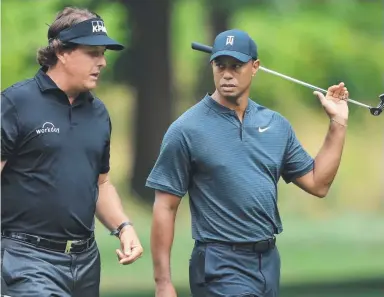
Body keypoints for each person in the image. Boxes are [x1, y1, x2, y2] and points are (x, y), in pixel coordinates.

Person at [146, 29, 349, 297]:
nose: (227, 74)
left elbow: (317, 183)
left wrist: (338, 123)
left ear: (255, 67)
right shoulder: (186, 129)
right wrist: (163, 284)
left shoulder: (275, 125)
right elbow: (165, 206)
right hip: (219, 262)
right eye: (220, 65)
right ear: (212, 66)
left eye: (236, 66)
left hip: (267, 260)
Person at [1, 7, 143, 297]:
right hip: (26, 259)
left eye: (103, 53)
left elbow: (101, 183)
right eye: (93, 53)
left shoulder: (99, 113)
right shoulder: (16, 103)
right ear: (62, 52)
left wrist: (123, 226)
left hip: (85, 262)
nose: (102, 62)